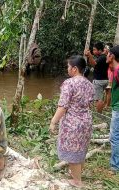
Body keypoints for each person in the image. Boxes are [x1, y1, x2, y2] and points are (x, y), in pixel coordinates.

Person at [50, 55, 95, 187]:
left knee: (73, 150)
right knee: (81, 148)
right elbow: (89, 103)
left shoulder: (69, 83)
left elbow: (63, 106)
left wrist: (53, 121)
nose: (67, 69)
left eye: (68, 67)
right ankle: (77, 173)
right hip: (86, 121)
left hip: (73, 123)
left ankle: (77, 181)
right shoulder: (89, 84)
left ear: (74, 69)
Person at [84, 42, 108, 113]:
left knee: (98, 99)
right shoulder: (105, 56)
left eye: (95, 50)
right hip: (105, 79)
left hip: (99, 80)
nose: (93, 51)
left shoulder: (102, 57)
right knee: (99, 97)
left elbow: (94, 65)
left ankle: (99, 114)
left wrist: (90, 55)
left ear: (100, 50)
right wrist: (89, 56)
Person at [106, 45, 119, 174]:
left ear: (112, 56)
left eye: (108, 53)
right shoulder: (113, 70)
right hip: (116, 107)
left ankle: (115, 166)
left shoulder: (118, 70)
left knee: (114, 137)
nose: (106, 55)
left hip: (118, 109)